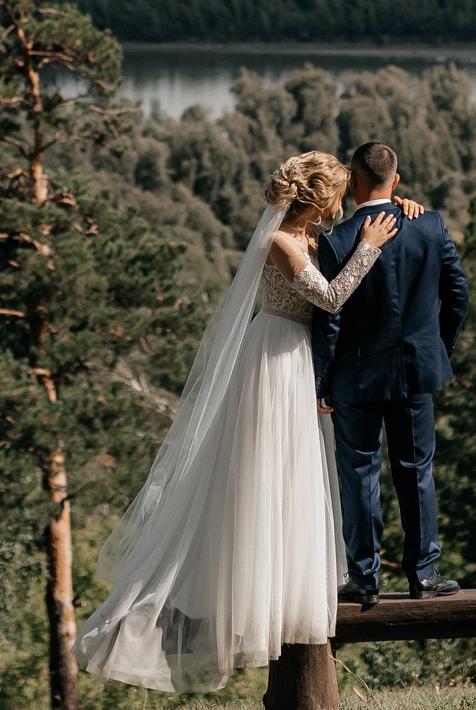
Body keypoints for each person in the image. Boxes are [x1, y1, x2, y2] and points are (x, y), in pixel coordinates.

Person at [73, 151, 422, 691]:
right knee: (266, 474)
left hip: (300, 355)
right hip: (276, 358)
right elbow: (329, 298)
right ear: (317, 197)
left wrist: (397, 205)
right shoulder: (280, 241)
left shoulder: (310, 237)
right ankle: (252, 601)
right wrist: (370, 249)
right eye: (337, 192)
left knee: (296, 476)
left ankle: (288, 588)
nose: (342, 200)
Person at [313, 141, 468, 608]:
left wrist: (323, 380)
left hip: (355, 378)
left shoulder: (336, 239)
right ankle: (423, 573)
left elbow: (330, 318)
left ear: (354, 183)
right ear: (396, 181)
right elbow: (457, 293)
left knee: (359, 474)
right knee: (416, 471)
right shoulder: (430, 224)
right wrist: (438, 347)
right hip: (415, 371)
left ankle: (364, 578)